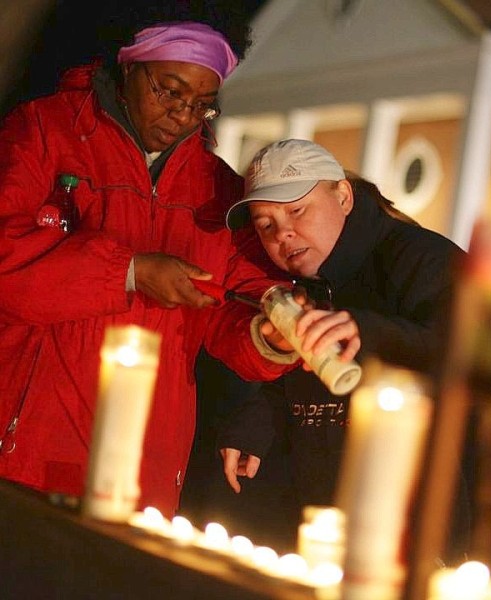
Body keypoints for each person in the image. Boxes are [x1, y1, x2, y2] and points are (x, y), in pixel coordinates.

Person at [0, 7, 321, 518]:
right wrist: (129, 271)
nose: (182, 114)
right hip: (28, 451)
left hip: (144, 468)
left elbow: (229, 301)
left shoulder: (215, 187)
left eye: (202, 105)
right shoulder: (43, 131)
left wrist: (271, 335)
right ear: (129, 66)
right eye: (168, 90)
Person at [215, 139, 491, 582]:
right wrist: (255, 422)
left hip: (445, 536)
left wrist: (369, 332)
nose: (282, 233)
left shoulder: (423, 258)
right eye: (265, 224)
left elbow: (489, 367)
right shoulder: (297, 286)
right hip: (339, 532)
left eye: (297, 211)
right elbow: (297, 375)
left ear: (343, 196)